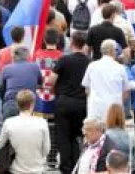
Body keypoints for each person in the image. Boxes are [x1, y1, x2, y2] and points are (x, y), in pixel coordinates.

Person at [51, 31, 89, 174]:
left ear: (72, 43)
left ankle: (66, 168)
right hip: (81, 104)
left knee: (63, 137)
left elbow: (51, 81)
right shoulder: (89, 62)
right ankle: (76, 167)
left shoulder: (64, 60)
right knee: (75, 136)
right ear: (84, 44)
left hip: (64, 102)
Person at [0, 90, 49, 174]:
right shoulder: (42, 123)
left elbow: (0, 145)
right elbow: (46, 150)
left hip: (15, 170)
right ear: (33, 104)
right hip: (37, 170)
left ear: (17, 104)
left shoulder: (9, 123)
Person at [82, 39, 132, 121]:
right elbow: (126, 92)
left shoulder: (92, 66)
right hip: (114, 109)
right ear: (113, 51)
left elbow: (87, 89)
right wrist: (118, 102)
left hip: (96, 109)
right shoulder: (120, 68)